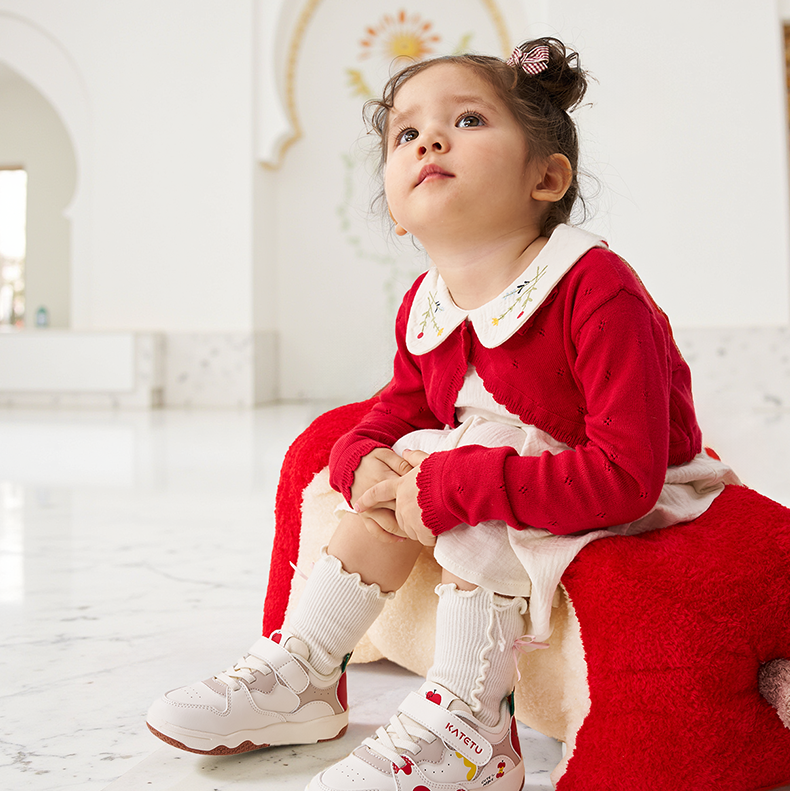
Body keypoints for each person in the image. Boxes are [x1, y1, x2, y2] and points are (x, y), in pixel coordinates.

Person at [146, 38, 736, 791]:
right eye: (406, 133)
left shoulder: (595, 286)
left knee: (463, 456)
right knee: (415, 459)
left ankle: (471, 725)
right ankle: (305, 671)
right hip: (509, 468)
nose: (428, 140)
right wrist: (364, 461)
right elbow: (397, 407)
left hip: (629, 484)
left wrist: (458, 481)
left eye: (467, 120)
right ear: (397, 213)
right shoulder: (427, 302)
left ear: (546, 178)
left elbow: (626, 473)